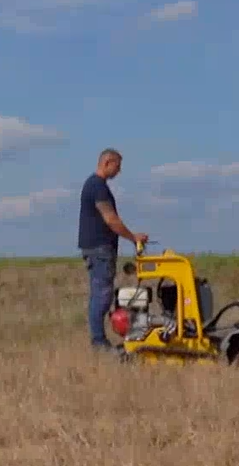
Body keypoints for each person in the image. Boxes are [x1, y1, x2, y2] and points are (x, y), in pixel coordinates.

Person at [78, 147, 148, 351]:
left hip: (98, 249)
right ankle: (99, 342)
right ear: (107, 162)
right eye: (118, 166)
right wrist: (133, 237)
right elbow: (111, 220)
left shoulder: (96, 185)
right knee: (102, 295)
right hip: (100, 249)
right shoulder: (97, 186)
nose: (119, 171)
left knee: (101, 294)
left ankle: (101, 339)